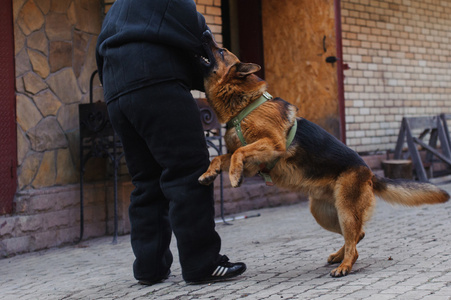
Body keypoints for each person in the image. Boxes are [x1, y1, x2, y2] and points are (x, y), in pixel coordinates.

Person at [95, 0, 246, 285]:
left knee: (146, 182)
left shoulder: (118, 7)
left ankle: (149, 269)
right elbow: (198, 32)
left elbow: (99, 51)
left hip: (116, 94)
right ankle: (203, 265)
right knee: (189, 173)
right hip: (156, 82)